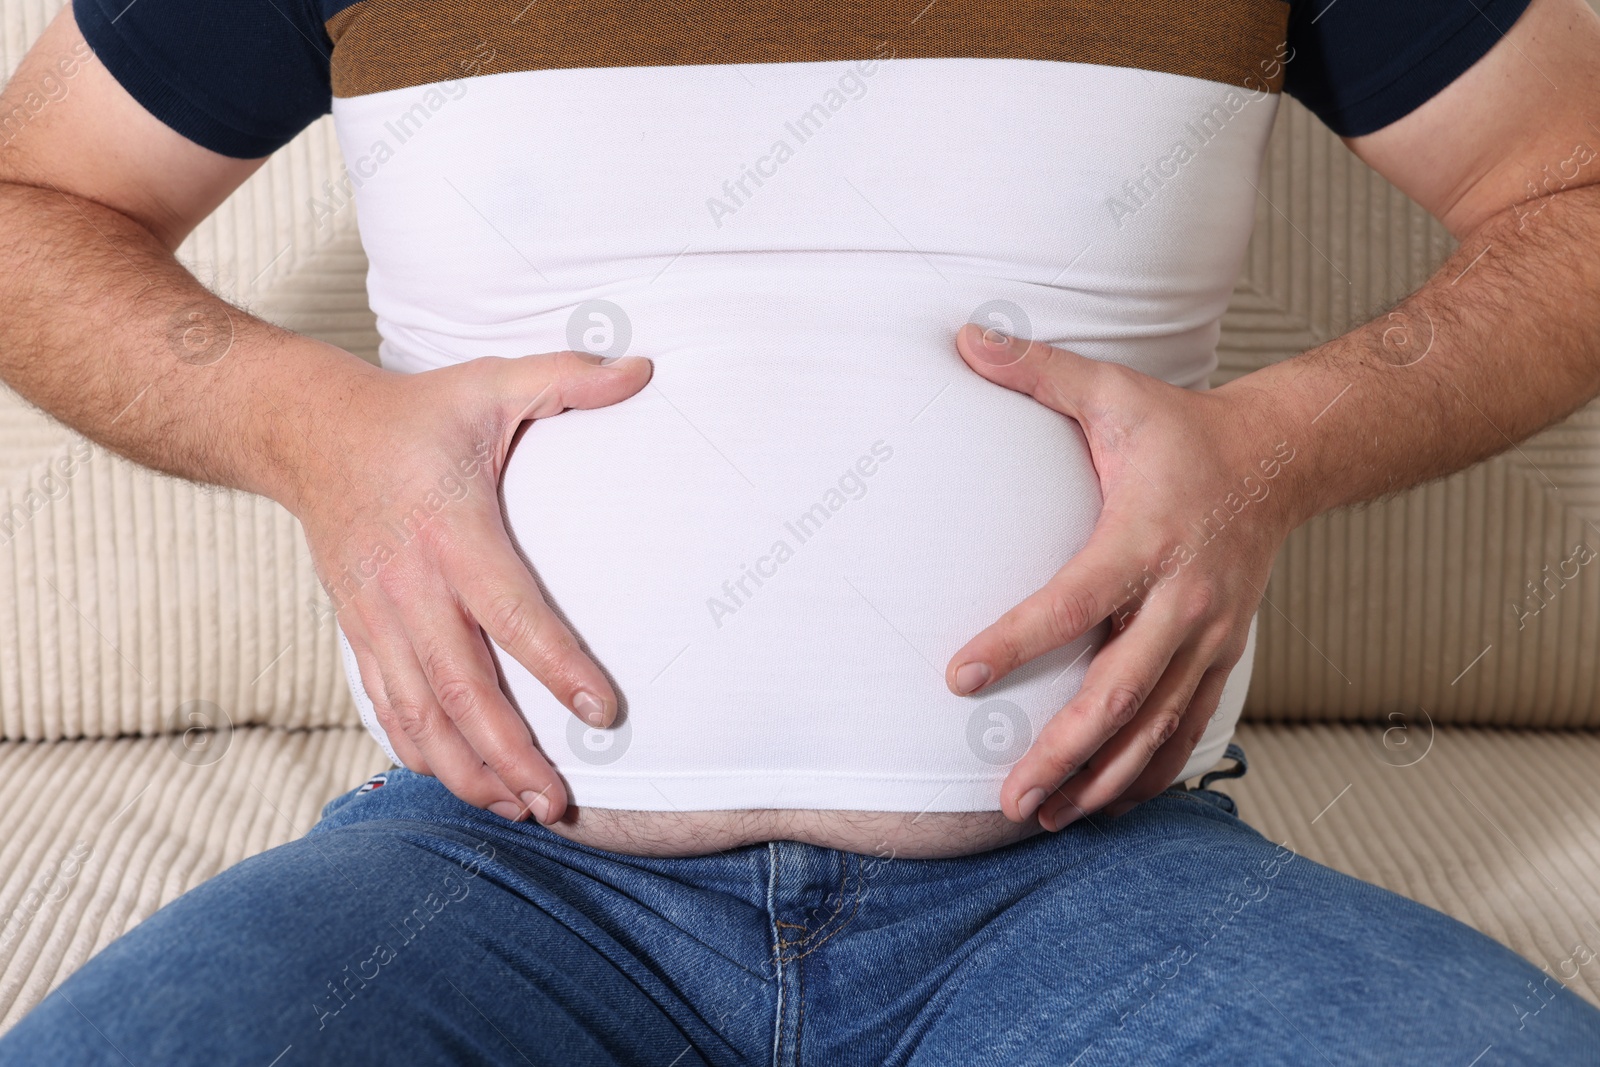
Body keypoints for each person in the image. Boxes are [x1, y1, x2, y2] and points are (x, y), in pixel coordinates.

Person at [2, 0, 1599, 1061]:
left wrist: (1281, 447)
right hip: (487, 869)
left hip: (1096, 883)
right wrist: (309, 429)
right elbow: (32, 202)